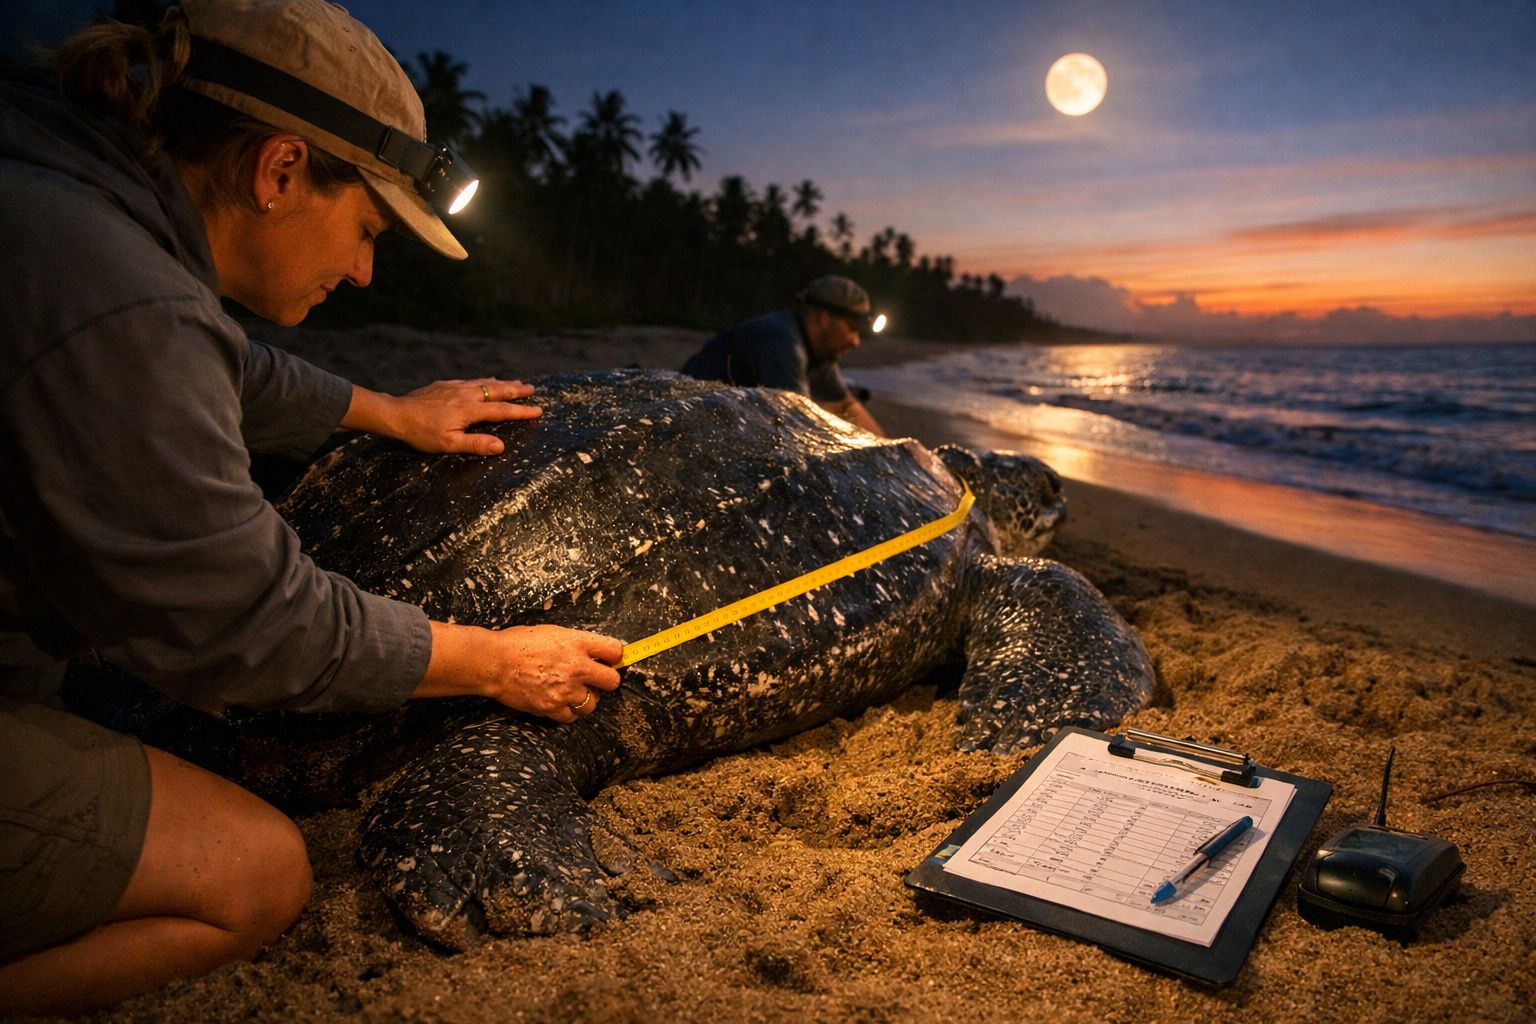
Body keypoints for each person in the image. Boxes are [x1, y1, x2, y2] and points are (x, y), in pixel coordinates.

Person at [0, 0, 623, 1013]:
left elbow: (221, 367)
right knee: (259, 873)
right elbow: (255, 626)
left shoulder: (70, 192)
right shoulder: (124, 297)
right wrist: (499, 659)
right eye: (368, 227)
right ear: (280, 170)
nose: (367, 268)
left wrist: (389, 411)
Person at [680, 275, 887, 435]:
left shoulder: (818, 352)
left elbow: (848, 405)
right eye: (852, 328)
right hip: (688, 416)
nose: (855, 341)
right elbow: (799, 424)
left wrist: (892, 451)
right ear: (824, 319)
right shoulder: (782, 341)